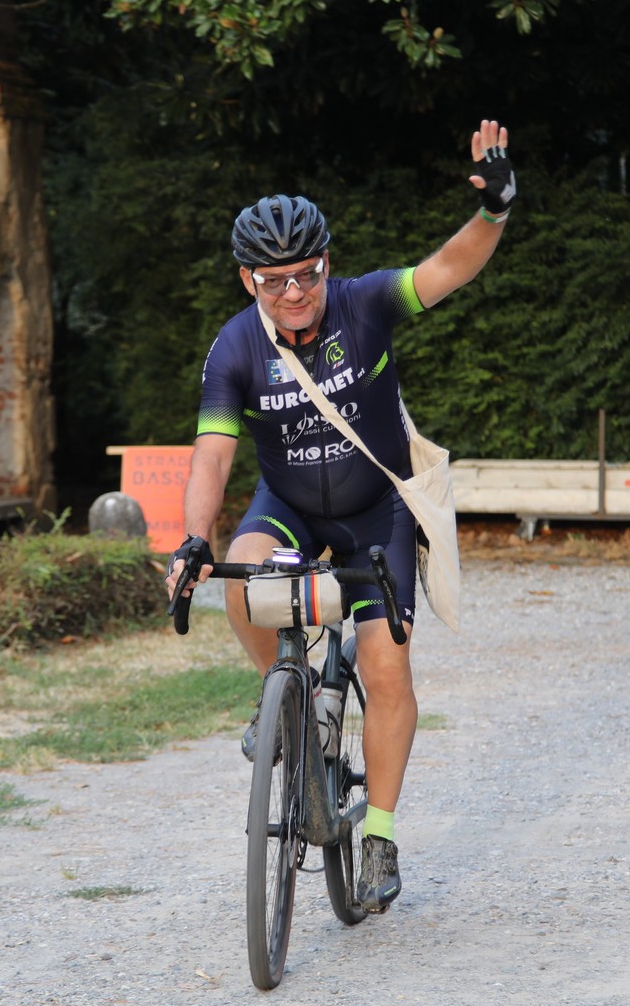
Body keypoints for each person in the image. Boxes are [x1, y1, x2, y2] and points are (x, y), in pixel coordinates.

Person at [163, 120, 517, 911]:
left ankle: (380, 833)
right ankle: (283, 701)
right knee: (242, 579)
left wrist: (493, 210)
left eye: (307, 274)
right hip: (288, 505)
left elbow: (447, 268)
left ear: (327, 262)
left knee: (386, 666)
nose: (294, 293)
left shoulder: (364, 306)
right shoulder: (235, 348)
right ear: (247, 281)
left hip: (374, 509)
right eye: (274, 281)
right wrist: (192, 539)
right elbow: (212, 456)